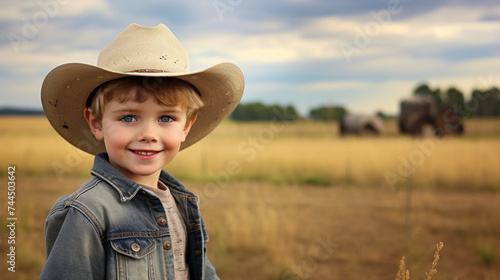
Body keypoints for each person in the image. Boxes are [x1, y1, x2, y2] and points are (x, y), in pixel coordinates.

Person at [39, 23, 244, 279]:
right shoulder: (86, 212)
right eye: (128, 118)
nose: (148, 134)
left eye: (166, 118)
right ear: (96, 123)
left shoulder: (182, 203)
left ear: (187, 126)